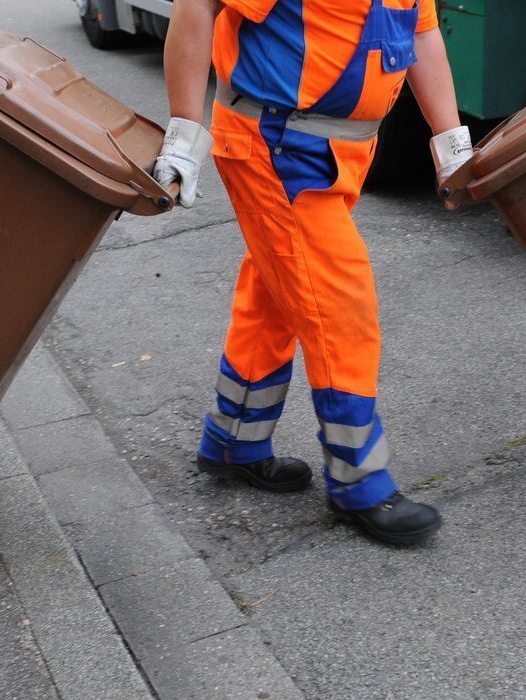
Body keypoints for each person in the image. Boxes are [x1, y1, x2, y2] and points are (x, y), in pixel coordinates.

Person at [155, 0, 472, 545]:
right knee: (340, 305)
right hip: (278, 147)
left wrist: (452, 147)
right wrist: (184, 135)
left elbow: (422, 35)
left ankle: (234, 440)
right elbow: (198, 5)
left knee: (279, 292)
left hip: (337, 151)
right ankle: (359, 481)